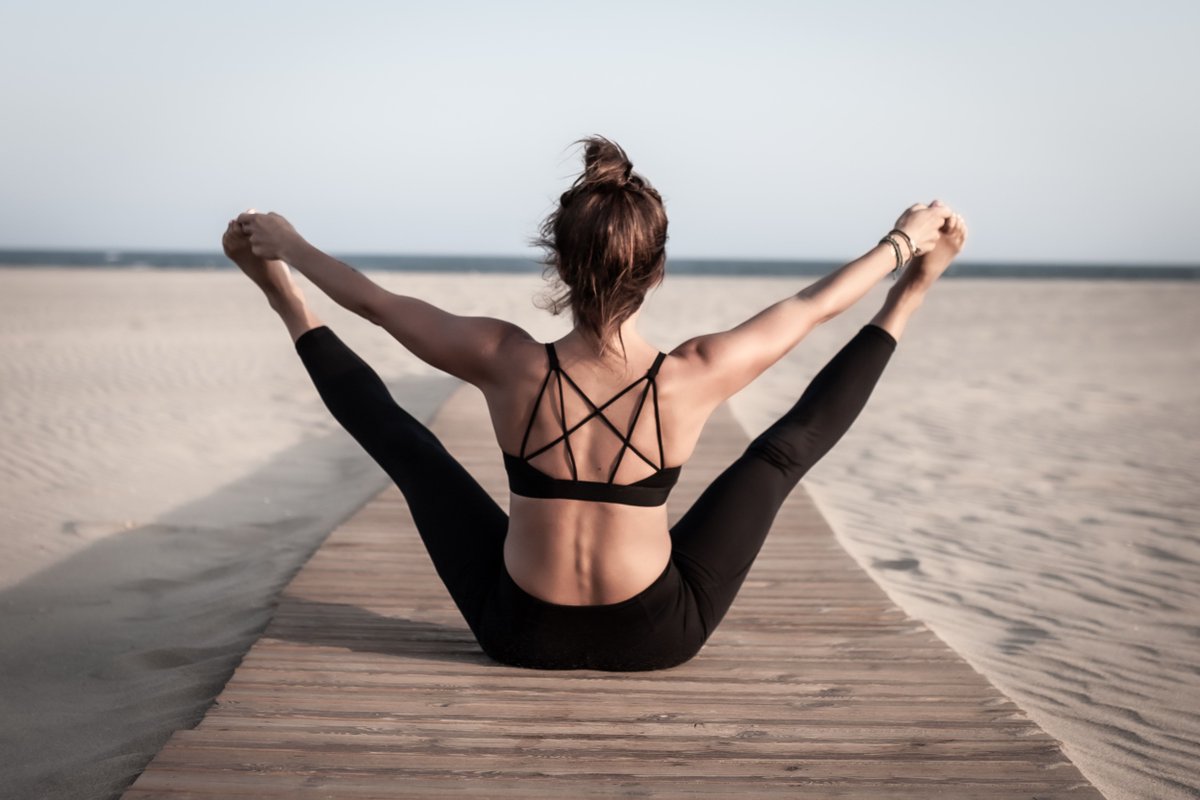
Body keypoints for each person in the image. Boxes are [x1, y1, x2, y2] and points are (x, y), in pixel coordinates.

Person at [222, 136, 967, 671]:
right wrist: (905, 248)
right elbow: (811, 309)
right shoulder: (692, 373)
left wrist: (289, 249)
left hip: (516, 631)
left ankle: (283, 306)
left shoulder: (505, 360)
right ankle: (911, 305)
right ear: (659, 268)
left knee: (408, 450)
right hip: (656, 637)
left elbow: (378, 305)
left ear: (559, 263)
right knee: (779, 455)